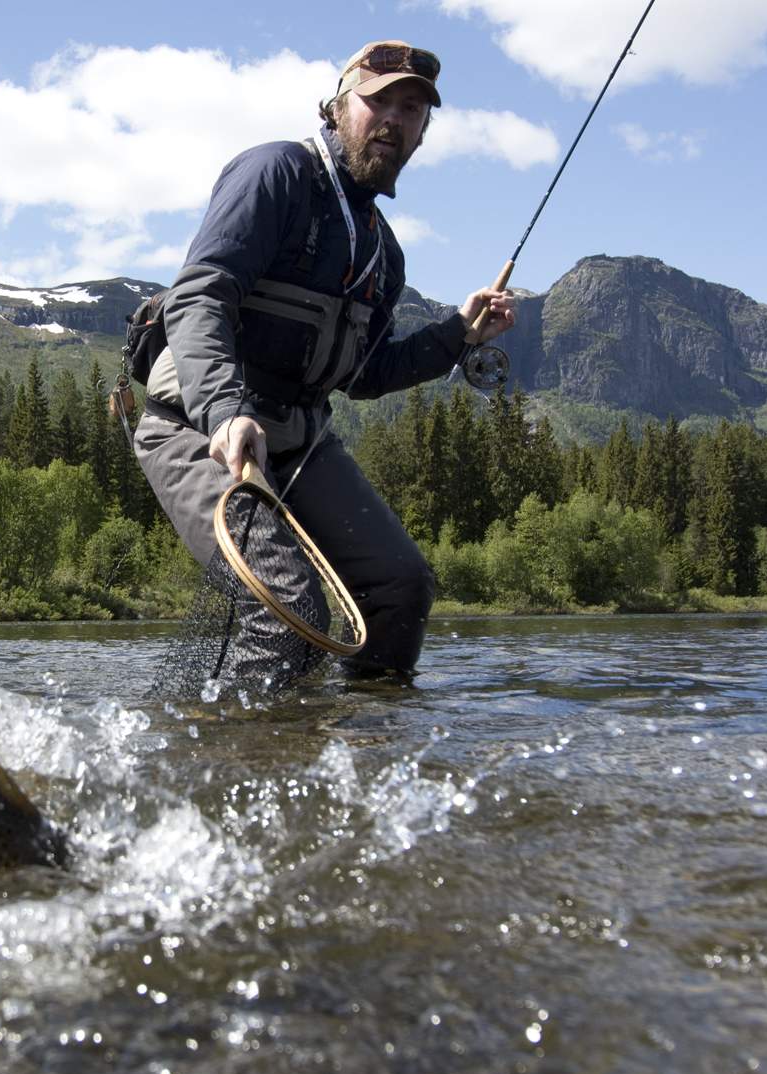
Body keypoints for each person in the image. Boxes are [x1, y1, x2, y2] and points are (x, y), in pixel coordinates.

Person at [135, 39, 517, 678]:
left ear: (424, 132)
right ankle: (238, 765)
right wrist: (227, 413)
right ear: (339, 107)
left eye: (414, 110)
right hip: (195, 427)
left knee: (401, 585)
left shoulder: (385, 255)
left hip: (300, 443)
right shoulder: (277, 173)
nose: (396, 120)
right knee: (286, 605)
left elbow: (366, 376)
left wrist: (458, 335)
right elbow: (201, 294)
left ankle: (360, 751)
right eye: (380, 102)